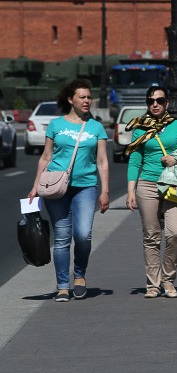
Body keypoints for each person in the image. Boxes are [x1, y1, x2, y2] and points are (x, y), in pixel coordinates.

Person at [28, 79, 109, 302]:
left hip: (86, 187)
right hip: (56, 187)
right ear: (70, 99)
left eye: (89, 97)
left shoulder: (96, 127)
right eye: (82, 97)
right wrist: (36, 186)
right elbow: (46, 157)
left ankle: (80, 275)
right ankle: (63, 285)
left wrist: (105, 191)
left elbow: (102, 161)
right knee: (62, 237)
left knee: (83, 235)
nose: (86, 101)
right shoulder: (56, 125)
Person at [125, 85, 177, 299]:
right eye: (151, 101)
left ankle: (168, 279)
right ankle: (153, 284)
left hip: (174, 184)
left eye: (160, 100)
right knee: (151, 235)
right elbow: (135, 160)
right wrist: (130, 191)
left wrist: (176, 159)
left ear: (167, 103)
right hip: (148, 184)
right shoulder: (140, 128)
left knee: (174, 232)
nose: (155, 104)